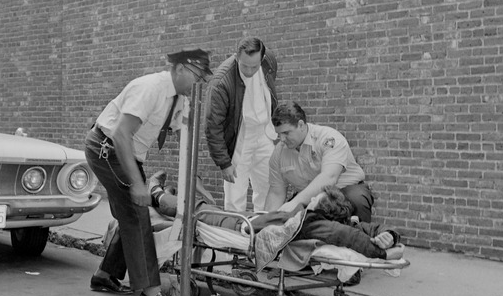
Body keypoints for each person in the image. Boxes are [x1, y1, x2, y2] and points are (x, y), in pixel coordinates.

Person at [84, 49, 212, 296]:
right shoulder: (150, 88)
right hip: (107, 147)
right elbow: (121, 135)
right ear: (178, 69)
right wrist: (139, 184)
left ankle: (104, 275)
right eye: (197, 76)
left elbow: (184, 141)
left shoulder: (179, 98)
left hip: (127, 153)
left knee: (130, 213)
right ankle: (151, 295)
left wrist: (194, 181)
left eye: (203, 79)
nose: (201, 83)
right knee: (138, 213)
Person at [149, 175, 402, 262]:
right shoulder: (338, 220)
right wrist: (389, 235)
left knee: (198, 207)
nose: (306, 202)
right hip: (253, 219)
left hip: (243, 227)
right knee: (202, 204)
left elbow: (348, 236)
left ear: (321, 210)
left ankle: (157, 194)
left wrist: (380, 253)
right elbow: (365, 227)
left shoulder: (313, 221)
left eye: (312, 202)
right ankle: (168, 195)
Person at [265, 101, 376, 222]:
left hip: (345, 189)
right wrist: (265, 222)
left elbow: (329, 177)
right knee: (288, 217)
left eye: (286, 133)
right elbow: (276, 193)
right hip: (309, 197)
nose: (282, 139)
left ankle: (361, 238)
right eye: (279, 134)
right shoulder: (279, 153)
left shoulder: (328, 138)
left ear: (301, 125)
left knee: (357, 199)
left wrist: (295, 202)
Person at [205, 36, 278, 213]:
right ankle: (235, 235)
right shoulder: (221, 82)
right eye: (244, 65)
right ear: (237, 57)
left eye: (254, 66)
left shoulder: (268, 62)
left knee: (269, 187)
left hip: (265, 133)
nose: (249, 71)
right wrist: (224, 163)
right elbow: (212, 126)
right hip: (240, 136)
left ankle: (264, 229)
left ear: (261, 59)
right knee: (235, 194)